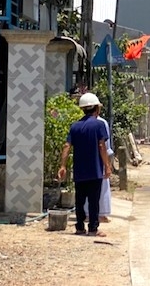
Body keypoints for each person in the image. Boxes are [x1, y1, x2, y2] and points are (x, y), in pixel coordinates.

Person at [58, 92, 112, 237]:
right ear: (97, 109)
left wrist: (63, 166)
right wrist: (107, 165)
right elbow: (102, 147)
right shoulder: (99, 124)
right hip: (95, 170)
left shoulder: (75, 126)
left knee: (80, 200)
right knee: (94, 201)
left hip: (79, 170)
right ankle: (93, 229)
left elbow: (67, 146)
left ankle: (80, 227)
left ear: (82, 109)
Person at [83, 115, 114, 223]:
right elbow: (104, 146)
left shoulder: (79, 123)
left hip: (84, 160)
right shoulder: (101, 123)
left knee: (85, 187)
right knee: (102, 186)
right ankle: (101, 214)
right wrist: (107, 164)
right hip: (99, 160)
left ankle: (86, 214)